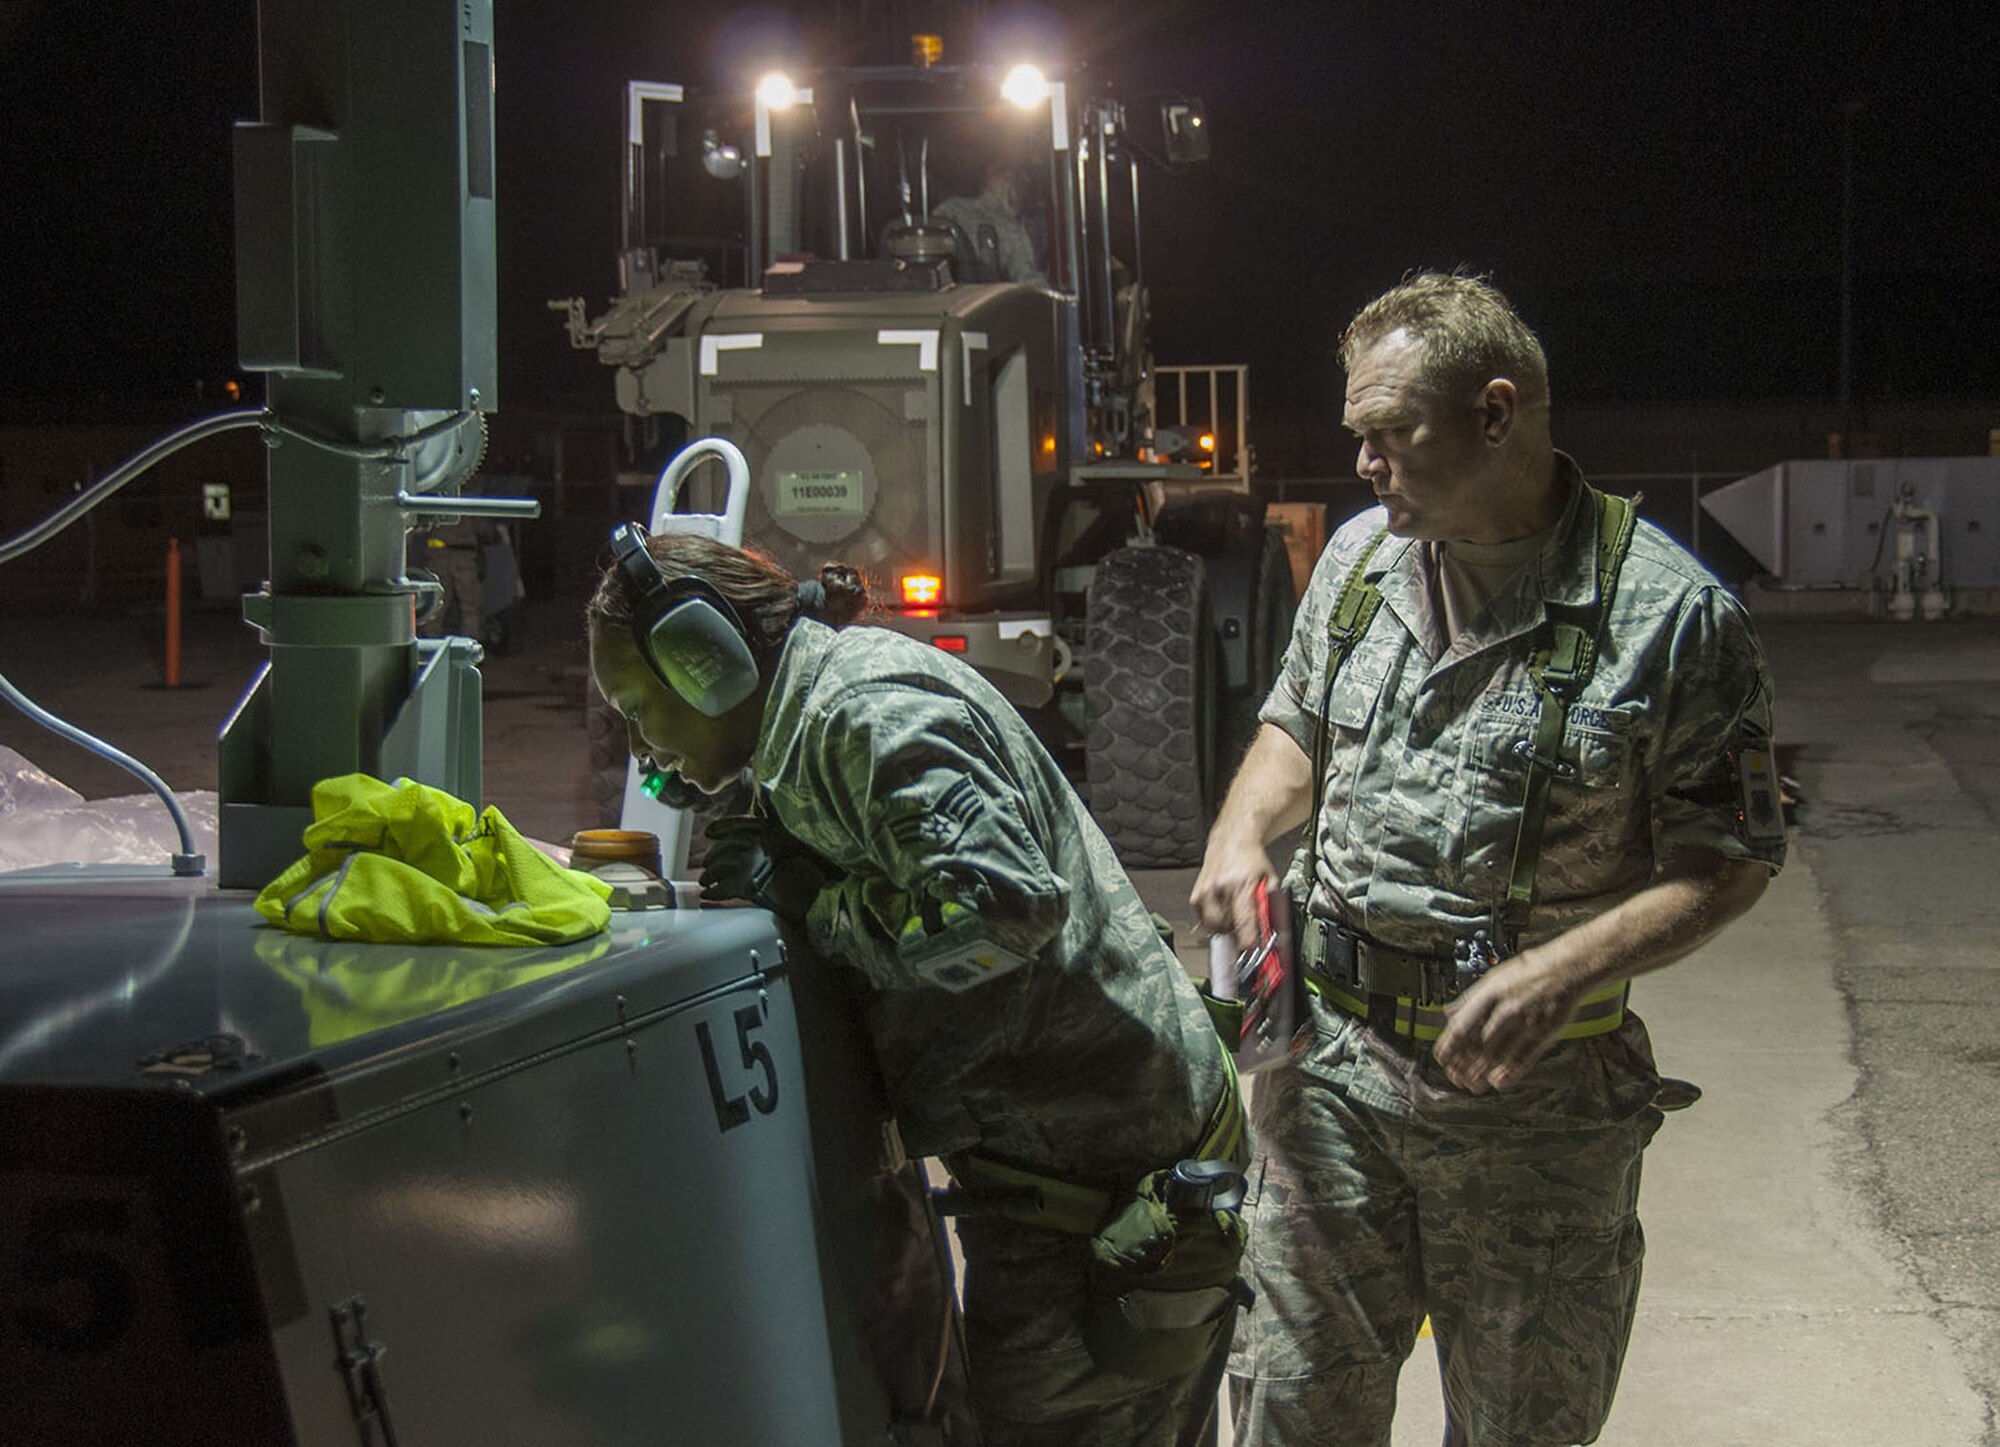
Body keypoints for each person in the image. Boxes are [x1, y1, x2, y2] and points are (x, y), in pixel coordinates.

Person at [1190, 272, 1787, 1446]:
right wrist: (1235, 831)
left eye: (1389, 433)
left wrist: (1564, 967)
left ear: (1496, 413)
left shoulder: (1666, 617)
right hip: (1329, 1086)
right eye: (1355, 434)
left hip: (1535, 1115)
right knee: (1286, 1411)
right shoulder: (1361, 563)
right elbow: (1295, 724)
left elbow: (1730, 857)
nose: (1362, 463)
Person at [587, 526, 1249, 1446]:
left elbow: (1006, 907)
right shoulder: (807, 721)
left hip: (1100, 1186)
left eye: (637, 706)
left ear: (708, 663)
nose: (637, 739)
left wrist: (827, 912)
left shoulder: (860, 714)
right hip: (1061, 1162)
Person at [934, 162, 1048, 286]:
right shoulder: (1008, 226)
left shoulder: (948, 208)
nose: (1018, 185)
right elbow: (1028, 279)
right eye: (1008, 177)